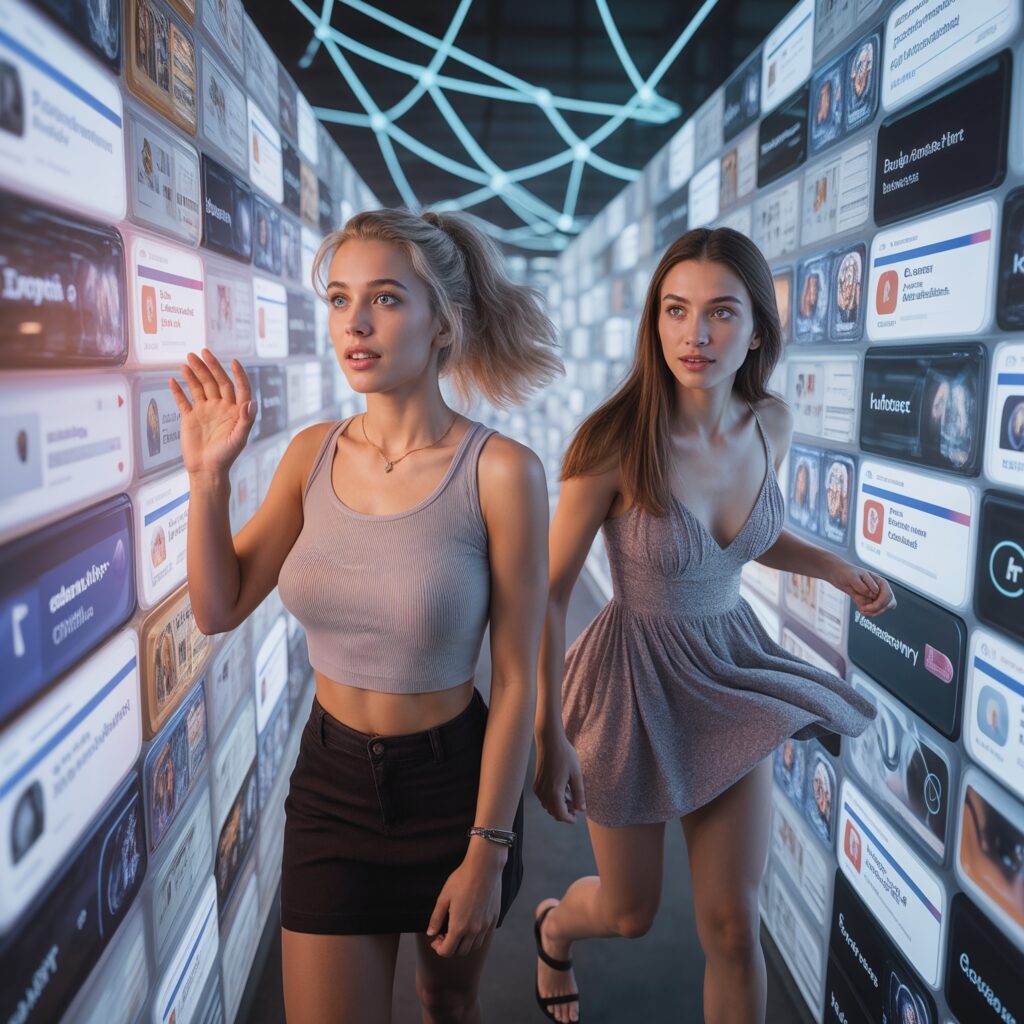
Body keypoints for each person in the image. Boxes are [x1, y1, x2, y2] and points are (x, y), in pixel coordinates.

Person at [169, 208, 560, 1024]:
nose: (356, 322)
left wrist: (489, 850)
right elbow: (216, 607)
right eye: (342, 298)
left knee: (445, 1004)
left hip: (456, 790)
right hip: (333, 787)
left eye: (384, 298)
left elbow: (519, 676)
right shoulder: (311, 454)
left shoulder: (502, 472)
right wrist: (207, 479)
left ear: (441, 320)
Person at [531, 227, 894, 1023]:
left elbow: (750, 538)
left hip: (728, 671)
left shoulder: (770, 422)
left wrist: (836, 567)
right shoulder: (613, 440)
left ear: (757, 328)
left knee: (734, 927)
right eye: (676, 310)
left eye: (721, 313)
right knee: (630, 914)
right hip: (631, 683)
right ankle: (556, 925)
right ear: (654, 322)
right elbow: (548, 592)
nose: (695, 335)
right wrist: (545, 728)